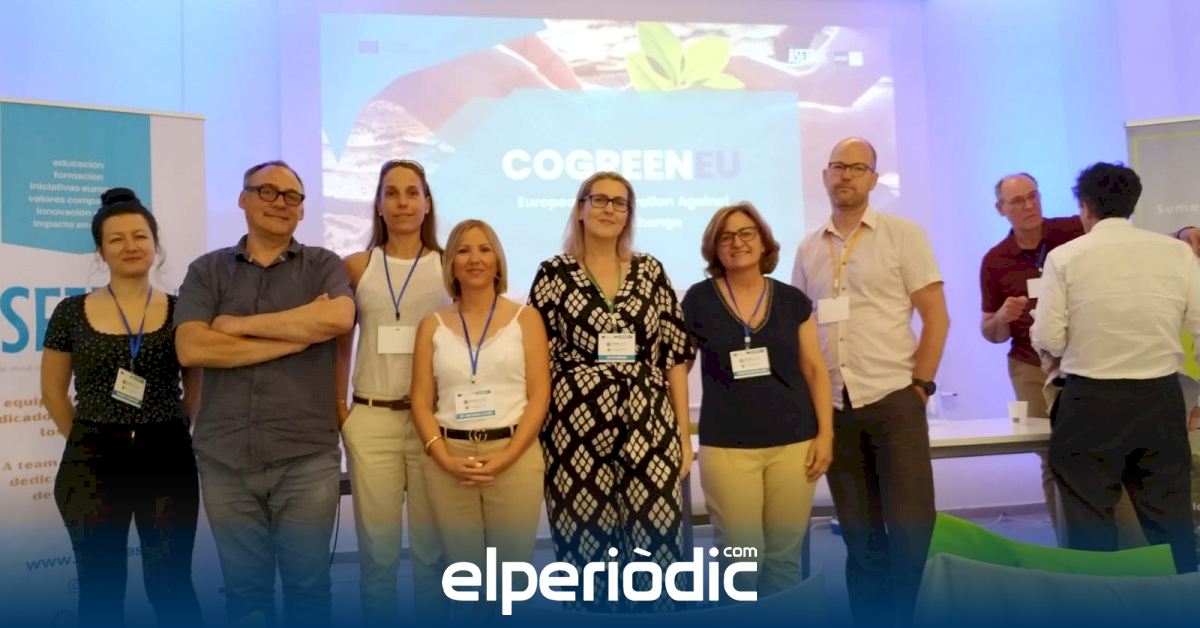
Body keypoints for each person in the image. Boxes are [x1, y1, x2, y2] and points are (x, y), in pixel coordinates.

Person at [174, 161, 356, 626]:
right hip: (225, 459)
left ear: (302, 211)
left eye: (292, 196)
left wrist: (236, 327)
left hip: (305, 459)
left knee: (308, 592)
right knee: (245, 596)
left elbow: (338, 319)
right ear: (243, 199)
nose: (280, 202)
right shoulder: (207, 270)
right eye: (267, 191)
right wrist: (295, 337)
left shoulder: (323, 265)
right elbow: (192, 347)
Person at [983, 172, 1200, 547]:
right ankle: (1177, 581)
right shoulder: (1177, 254)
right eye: (1018, 200)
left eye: (1034, 195)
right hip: (1159, 398)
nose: (1029, 205)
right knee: (1169, 515)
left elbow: (1050, 338)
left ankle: (1099, 580)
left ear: (1085, 207)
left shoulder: (1065, 253)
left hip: (1090, 398)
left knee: (1089, 517)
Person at [791, 137, 949, 624]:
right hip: (836, 410)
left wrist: (921, 386)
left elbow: (936, 317)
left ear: (874, 179)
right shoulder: (808, 248)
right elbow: (800, 329)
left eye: (857, 167)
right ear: (824, 175)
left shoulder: (903, 235)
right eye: (838, 166)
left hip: (894, 399)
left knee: (909, 532)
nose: (846, 175)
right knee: (860, 538)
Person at [528, 171, 694, 612]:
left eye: (620, 203)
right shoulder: (553, 273)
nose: (608, 209)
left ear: (629, 215)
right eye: (598, 199)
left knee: (657, 546)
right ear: (580, 209)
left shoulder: (650, 270)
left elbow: (674, 356)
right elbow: (534, 358)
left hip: (649, 423)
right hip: (573, 430)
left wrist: (682, 434)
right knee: (586, 552)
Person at [41, 188, 202, 628]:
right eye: (116, 239)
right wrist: (88, 439)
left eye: (140, 236)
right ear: (101, 251)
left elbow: (196, 383)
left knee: (171, 583)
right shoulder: (70, 312)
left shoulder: (182, 311)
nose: (130, 246)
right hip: (92, 459)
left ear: (155, 244)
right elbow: (53, 392)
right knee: (100, 587)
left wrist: (176, 427)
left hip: (166, 455)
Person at [681, 202, 833, 597]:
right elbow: (678, 369)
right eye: (726, 237)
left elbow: (815, 369)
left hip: (794, 443)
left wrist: (826, 435)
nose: (737, 243)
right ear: (714, 248)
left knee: (784, 560)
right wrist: (680, 434)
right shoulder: (698, 300)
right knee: (740, 559)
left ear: (764, 241)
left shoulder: (792, 300)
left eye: (746, 233)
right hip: (728, 447)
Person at [411, 219, 550, 621]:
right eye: (464, 250)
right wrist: (443, 457)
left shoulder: (526, 318)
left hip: (514, 455)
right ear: (451, 263)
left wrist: (506, 457)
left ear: (498, 261)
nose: (475, 258)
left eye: (484, 249)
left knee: (511, 581)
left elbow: (540, 395)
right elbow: (420, 399)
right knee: (465, 579)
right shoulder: (432, 325)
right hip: (450, 459)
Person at [335, 159, 449, 624]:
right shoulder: (357, 266)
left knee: (431, 554)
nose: (402, 202)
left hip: (432, 424)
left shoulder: (449, 266)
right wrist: (341, 412)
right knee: (377, 556)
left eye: (412, 192)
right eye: (392, 193)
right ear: (379, 205)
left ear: (427, 204)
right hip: (372, 419)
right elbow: (340, 346)